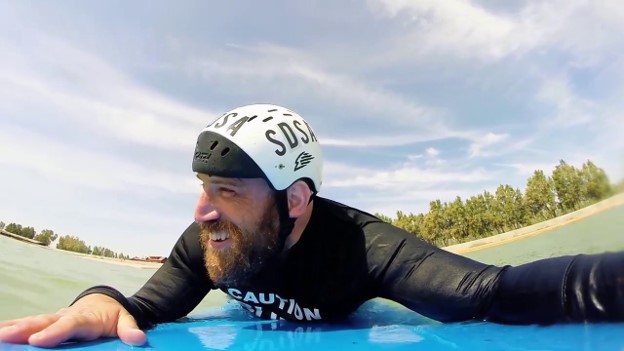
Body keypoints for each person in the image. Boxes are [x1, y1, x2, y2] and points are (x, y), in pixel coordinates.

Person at [1, 103, 623, 348]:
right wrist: (98, 300)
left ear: (296, 198)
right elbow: (143, 305)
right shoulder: (207, 244)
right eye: (201, 190)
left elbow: (495, 292)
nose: (202, 212)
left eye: (226, 191)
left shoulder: (362, 247)